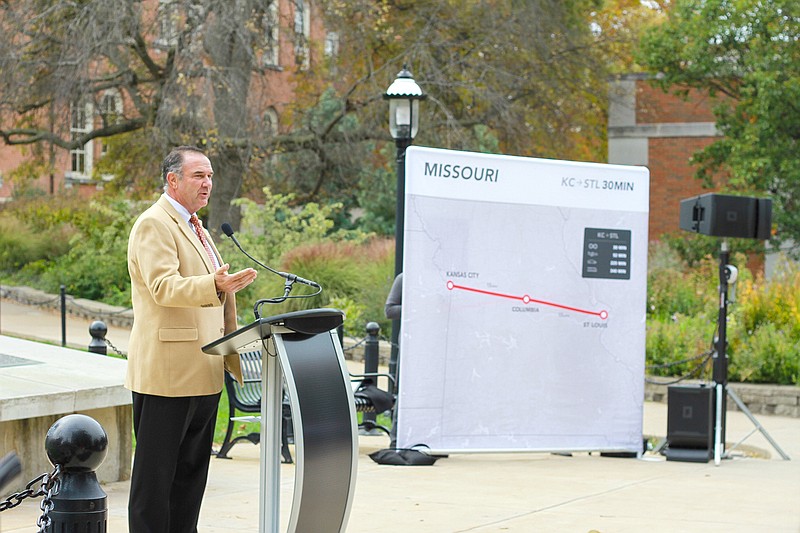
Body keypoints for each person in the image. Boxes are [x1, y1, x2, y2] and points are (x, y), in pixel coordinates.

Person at [126, 145, 257, 532]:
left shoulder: (196, 226)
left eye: (211, 176)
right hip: (168, 376)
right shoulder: (155, 223)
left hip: (204, 371)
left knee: (189, 481)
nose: (208, 183)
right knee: (155, 485)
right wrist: (214, 283)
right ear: (173, 180)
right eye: (199, 175)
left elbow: (211, 292)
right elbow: (163, 287)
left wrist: (222, 289)